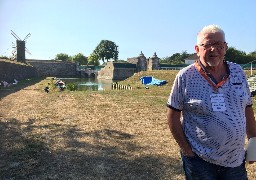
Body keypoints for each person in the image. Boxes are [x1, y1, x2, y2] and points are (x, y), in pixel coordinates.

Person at [166, 24, 256, 179]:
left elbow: (247, 108)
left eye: (219, 45)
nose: (214, 50)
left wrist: (254, 142)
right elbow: (172, 116)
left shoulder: (238, 72)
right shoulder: (185, 77)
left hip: (235, 159)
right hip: (200, 160)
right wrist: (187, 151)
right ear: (197, 49)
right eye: (208, 45)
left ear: (225, 47)